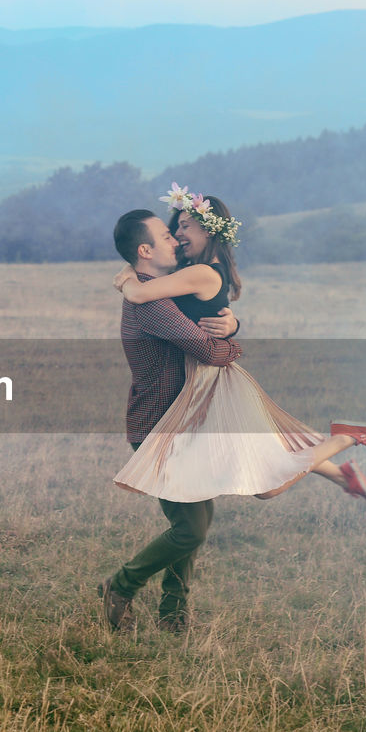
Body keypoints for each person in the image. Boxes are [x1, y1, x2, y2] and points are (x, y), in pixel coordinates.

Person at [111, 186, 366, 505]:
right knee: (268, 455)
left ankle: (346, 437)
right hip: (208, 378)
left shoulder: (201, 272)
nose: (177, 233)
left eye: (185, 225)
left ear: (208, 229)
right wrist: (234, 325)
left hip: (215, 380)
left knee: (267, 480)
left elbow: (139, 294)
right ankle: (344, 470)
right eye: (175, 227)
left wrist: (126, 277)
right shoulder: (195, 270)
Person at [99, 208, 242, 634]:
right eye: (166, 236)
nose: (176, 240)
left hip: (177, 424)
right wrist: (233, 345)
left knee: (194, 520)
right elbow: (211, 351)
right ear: (145, 251)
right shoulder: (153, 305)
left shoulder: (154, 289)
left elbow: (209, 318)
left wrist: (232, 323)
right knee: (191, 528)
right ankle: (121, 585)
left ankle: (173, 614)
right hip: (160, 428)